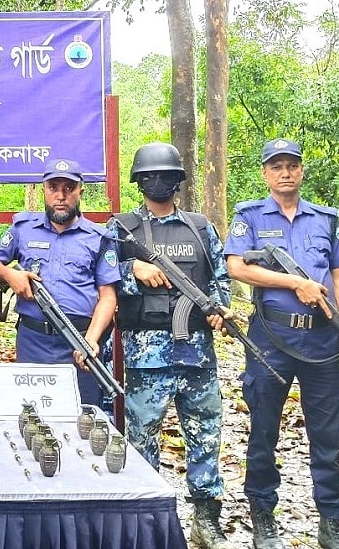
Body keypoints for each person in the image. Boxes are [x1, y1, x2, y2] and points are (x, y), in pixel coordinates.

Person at [224, 139, 339, 549]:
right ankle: (263, 517)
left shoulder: (325, 219)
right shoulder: (250, 217)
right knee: (263, 431)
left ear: (302, 170)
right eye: (277, 166)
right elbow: (237, 267)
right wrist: (293, 282)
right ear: (265, 173)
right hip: (272, 339)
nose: (285, 173)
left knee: (328, 435)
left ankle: (332, 522)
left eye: (292, 165)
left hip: (323, 340)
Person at [107, 142, 234, 549]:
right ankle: (148, 521)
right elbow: (102, 277)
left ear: (178, 181)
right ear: (139, 182)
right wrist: (133, 268)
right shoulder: (121, 228)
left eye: (166, 176)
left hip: (197, 354)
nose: (158, 182)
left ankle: (205, 520)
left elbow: (221, 279)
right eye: (150, 177)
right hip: (146, 358)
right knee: (142, 439)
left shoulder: (199, 227)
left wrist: (219, 309)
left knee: (205, 437)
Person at [0, 158, 119, 406]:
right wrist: (10, 275)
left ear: (80, 192)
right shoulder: (23, 229)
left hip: (79, 343)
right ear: (43, 191)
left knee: (84, 413)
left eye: (69, 188)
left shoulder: (99, 238)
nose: (61, 196)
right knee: (32, 413)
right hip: (33, 340)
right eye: (53, 187)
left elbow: (108, 296)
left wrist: (90, 339)